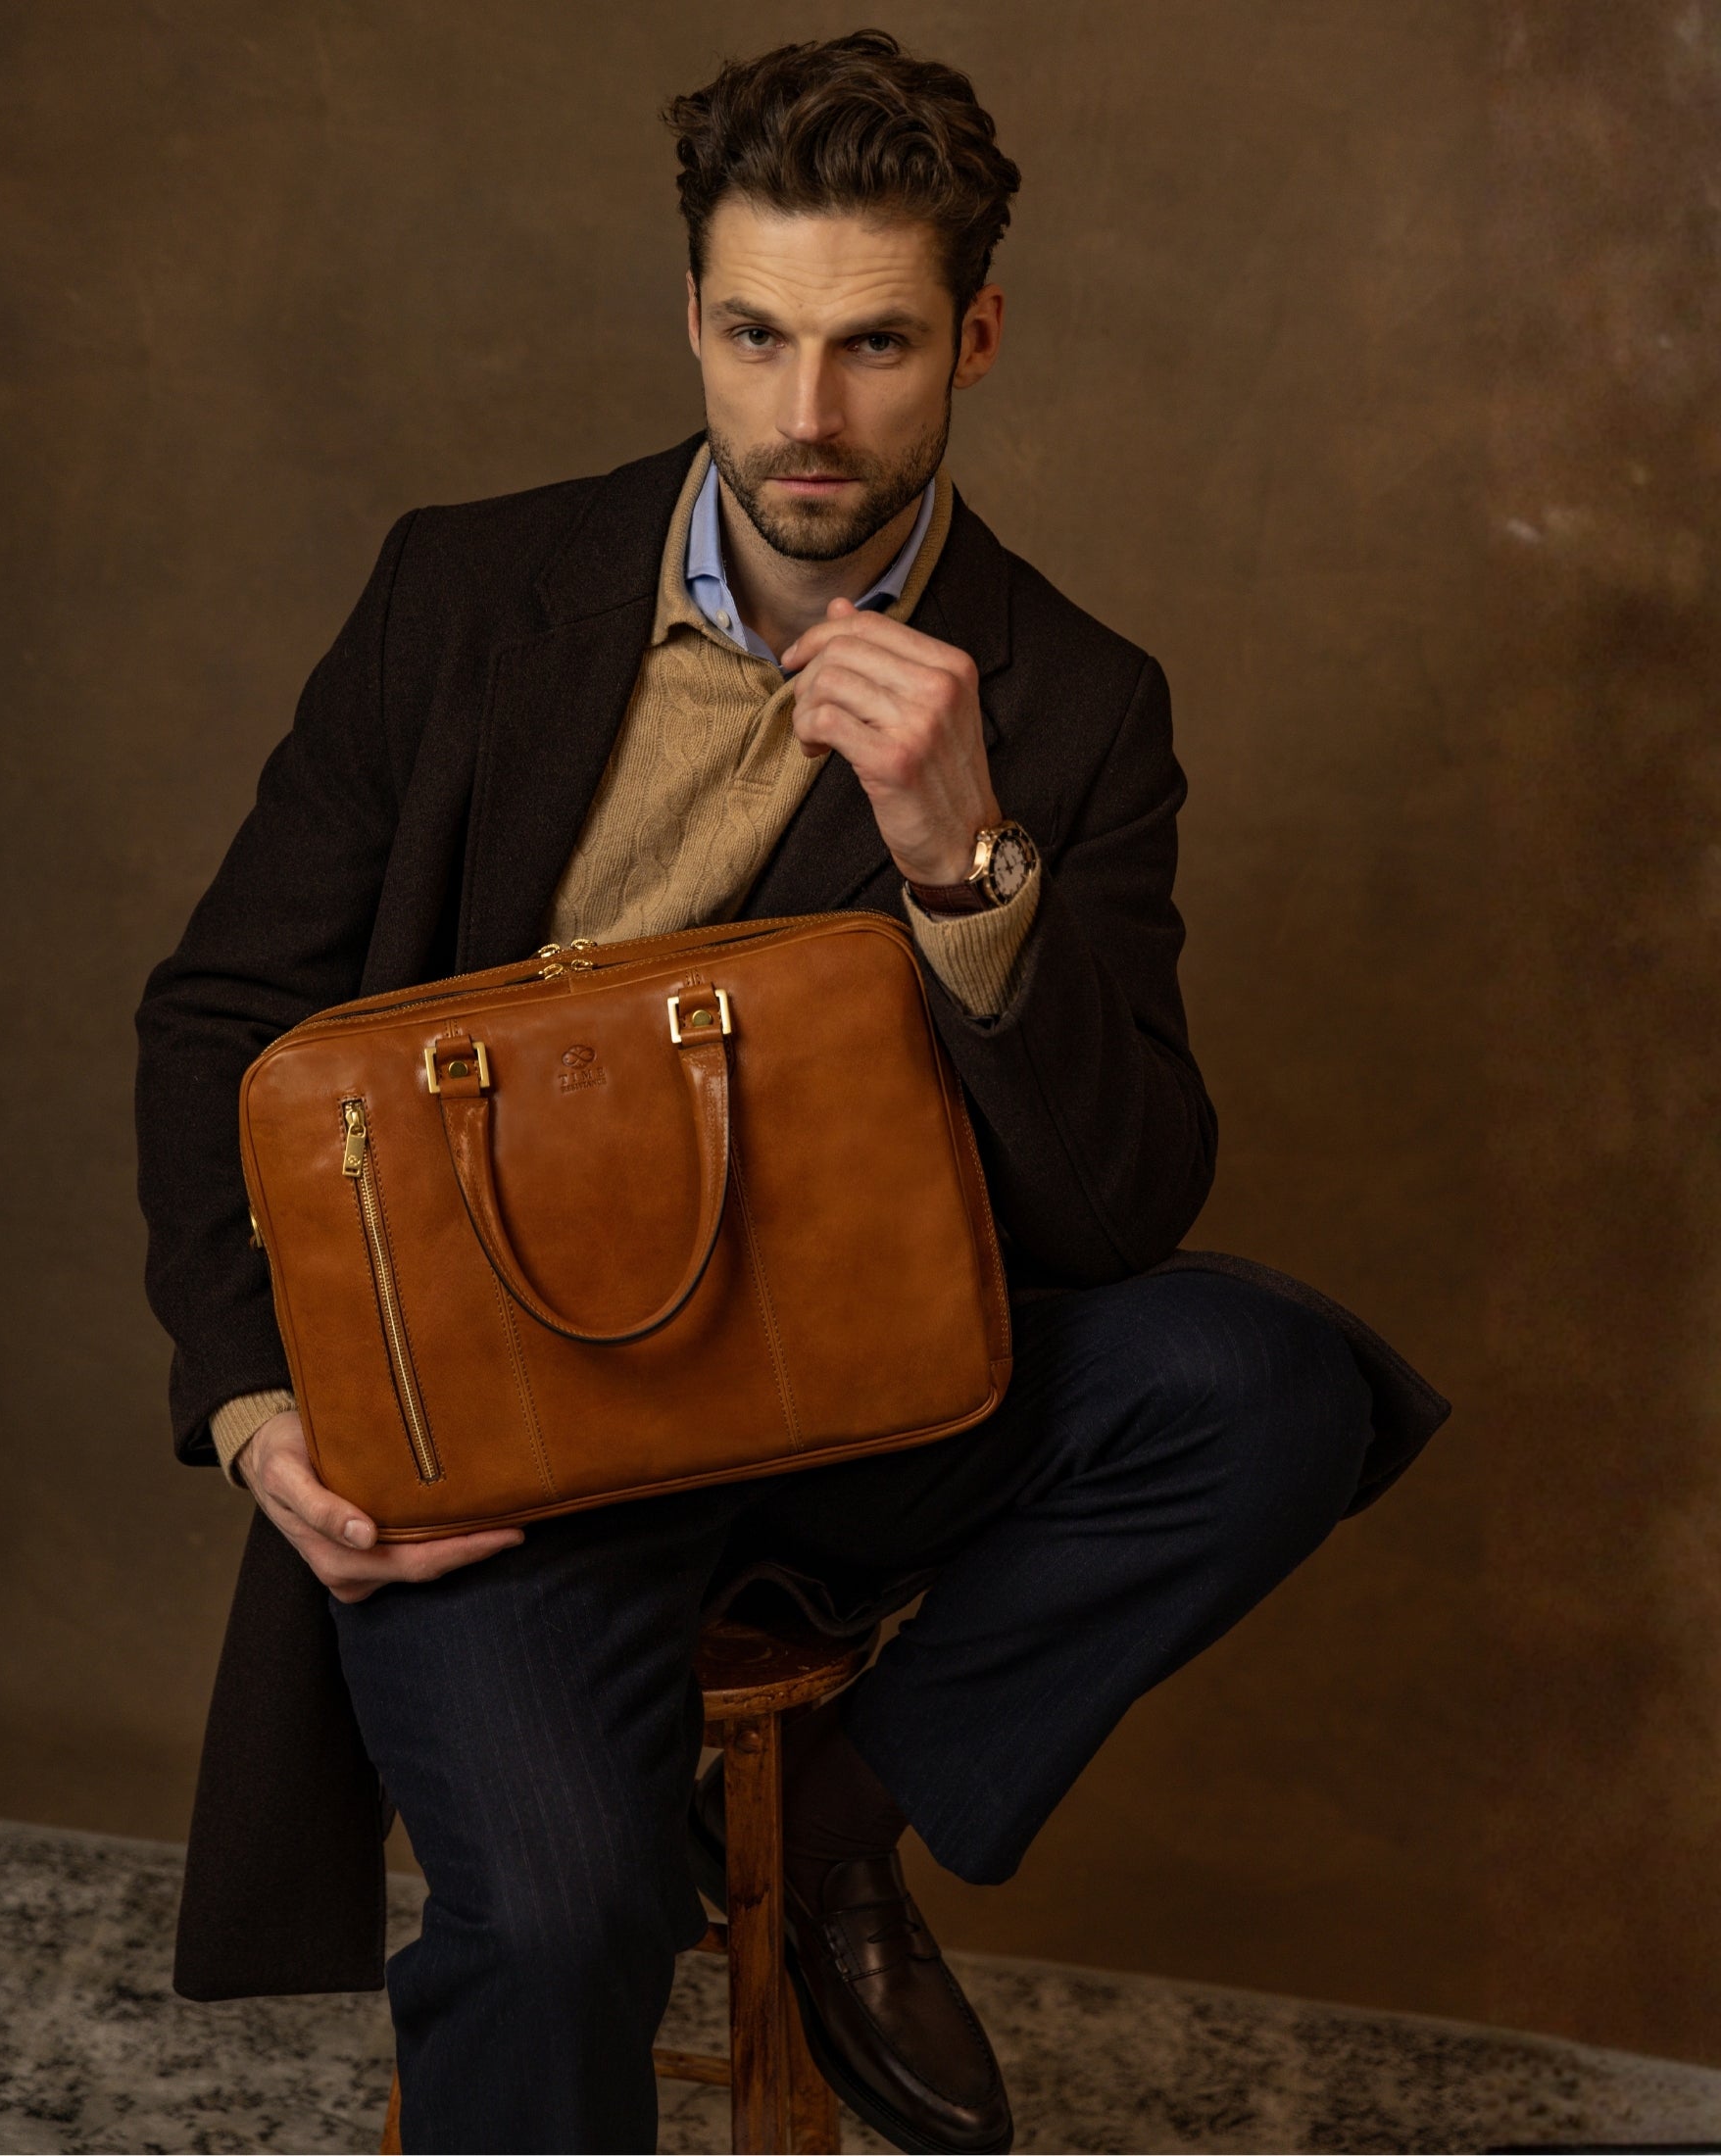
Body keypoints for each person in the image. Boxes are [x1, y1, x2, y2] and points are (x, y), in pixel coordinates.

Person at [135, 30, 1447, 2155]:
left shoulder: (1076, 702)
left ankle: (827, 1833)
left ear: (976, 338)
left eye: (874, 344)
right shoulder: (461, 591)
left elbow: (1122, 1210)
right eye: (755, 335)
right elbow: (222, 1012)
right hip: (523, 1438)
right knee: (563, 1923)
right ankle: (690, 1864)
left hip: (860, 1401)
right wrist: (255, 1403)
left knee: (1272, 1382)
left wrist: (964, 861)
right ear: (690, 315)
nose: (805, 413)